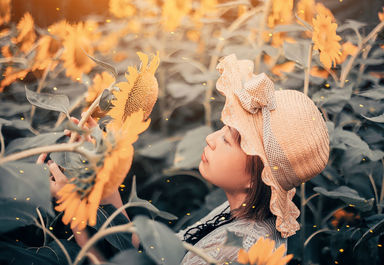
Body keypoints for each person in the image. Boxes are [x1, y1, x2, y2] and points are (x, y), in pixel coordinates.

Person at [39, 53, 330, 264]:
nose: (210, 138)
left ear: (259, 175)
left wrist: (76, 215)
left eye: (228, 139)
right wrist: (107, 187)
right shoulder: (237, 214)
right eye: (222, 129)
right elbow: (157, 255)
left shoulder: (240, 249)